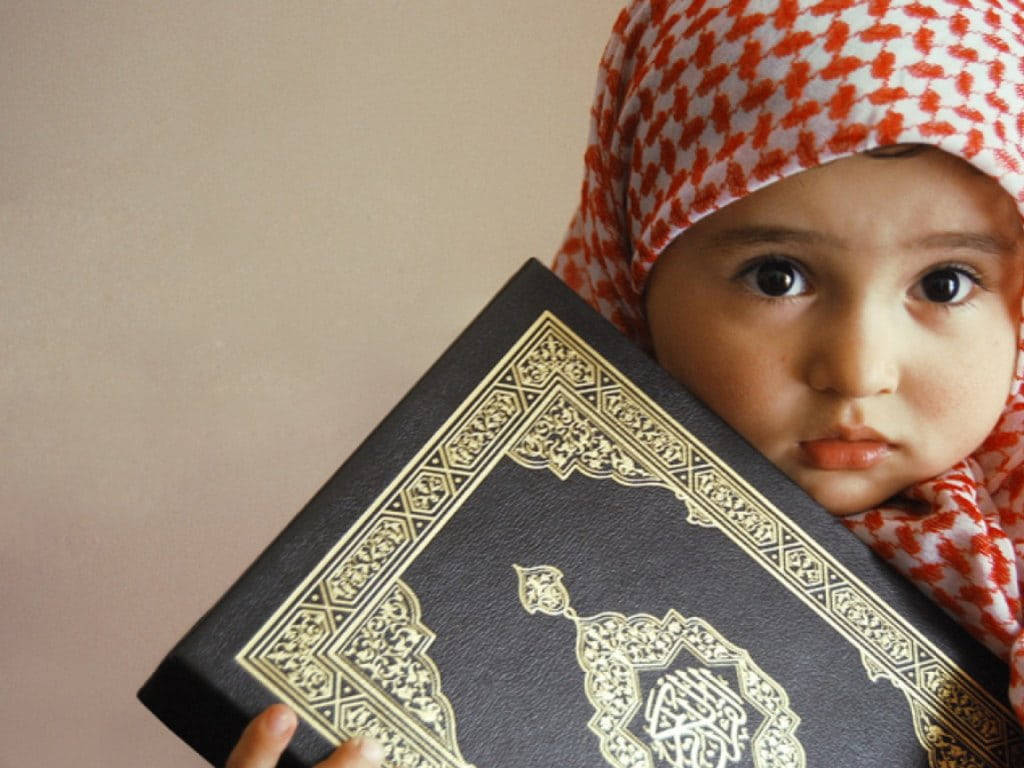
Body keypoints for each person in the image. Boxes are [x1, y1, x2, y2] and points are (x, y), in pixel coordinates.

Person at [226, 0, 1024, 765]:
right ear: (634, 266)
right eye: (776, 277)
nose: (858, 369)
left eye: (947, 284)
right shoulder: (463, 549)